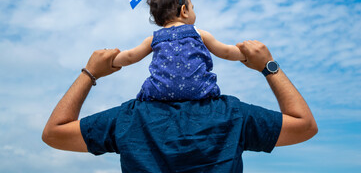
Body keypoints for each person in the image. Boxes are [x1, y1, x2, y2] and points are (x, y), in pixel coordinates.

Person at [42, 41, 318, 172]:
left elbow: (54, 133)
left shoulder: (128, 118)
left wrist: (90, 73)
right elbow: (304, 126)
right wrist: (268, 67)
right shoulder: (232, 114)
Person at [112, 0, 246, 101]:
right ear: (184, 11)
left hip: (159, 93)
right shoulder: (199, 33)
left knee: (145, 92)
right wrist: (245, 54)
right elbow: (226, 52)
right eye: (192, 8)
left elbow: (130, 56)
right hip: (201, 90)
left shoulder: (154, 38)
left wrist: (112, 60)